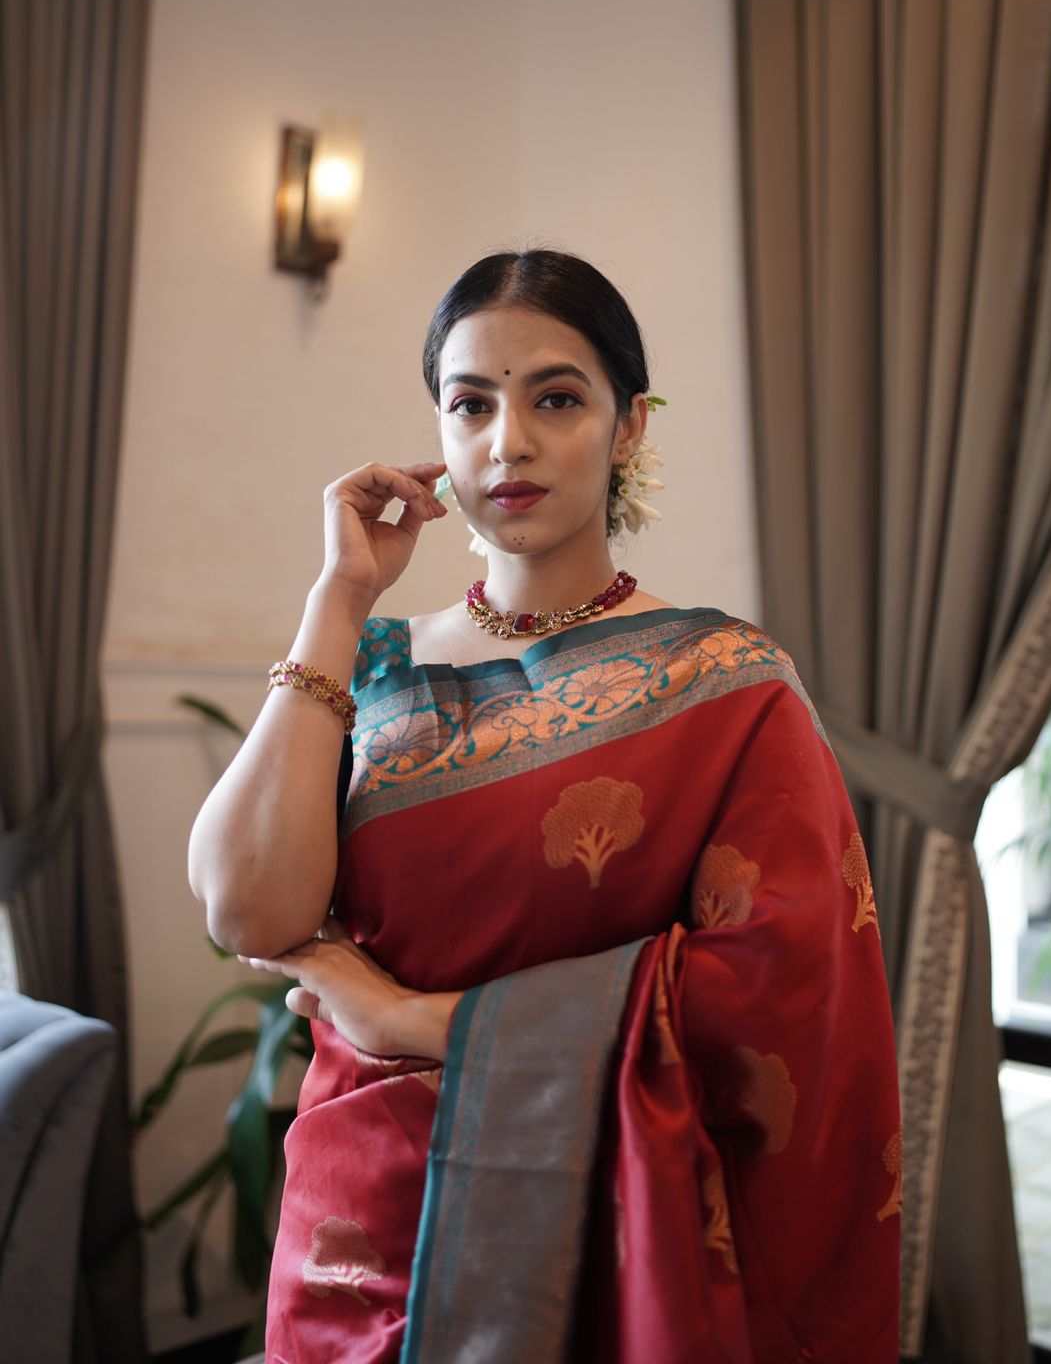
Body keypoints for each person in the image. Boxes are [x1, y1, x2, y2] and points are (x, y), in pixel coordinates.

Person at [188, 249, 901, 1363]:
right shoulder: (371, 663)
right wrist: (339, 596)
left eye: (554, 399)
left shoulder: (725, 680)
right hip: (356, 1228)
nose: (504, 442)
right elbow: (244, 907)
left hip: (606, 1236)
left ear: (629, 428)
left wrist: (408, 1021)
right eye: (469, 403)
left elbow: (781, 986)